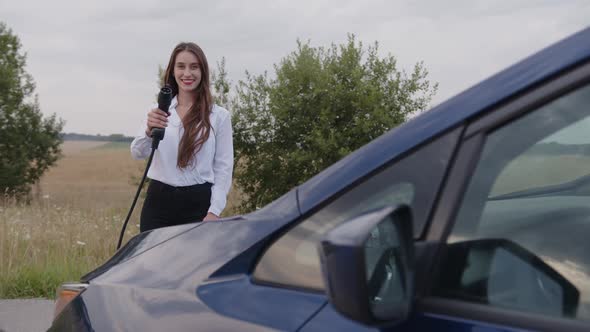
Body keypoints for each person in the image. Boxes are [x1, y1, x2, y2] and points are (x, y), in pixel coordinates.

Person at [130, 42, 233, 232]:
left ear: (203, 72)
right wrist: (148, 130)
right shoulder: (158, 111)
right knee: (153, 261)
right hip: (158, 203)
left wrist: (214, 211)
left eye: (194, 67)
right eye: (181, 66)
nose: (187, 73)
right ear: (173, 70)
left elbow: (224, 169)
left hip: (198, 204)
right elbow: (138, 153)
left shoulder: (219, 116)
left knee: (195, 262)